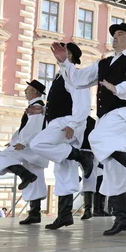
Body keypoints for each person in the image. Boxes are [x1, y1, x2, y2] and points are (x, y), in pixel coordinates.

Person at [51, 23, 126, 236]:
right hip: (109, 115)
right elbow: (78, 80)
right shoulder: (104, 63)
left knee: (96, 136)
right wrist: (64, 62)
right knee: (113, 165)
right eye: (114, 35)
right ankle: (123, 217)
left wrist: (117, 88)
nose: (115, 38)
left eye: (120, 35)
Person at [30, 42, 92, 230]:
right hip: (61, 121)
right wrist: (43, 109)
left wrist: (73, 125)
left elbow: (83, 103)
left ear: (70, 56)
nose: (57, 55)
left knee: (37, 143)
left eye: (63, 52)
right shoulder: (61, 76)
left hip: (67, 122)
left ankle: (81, 155)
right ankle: (64, 215)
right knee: (63, 170)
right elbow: (63, 101)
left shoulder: (76, 76)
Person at [0, 80, 49, 225]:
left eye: (27, 89)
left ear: (34, 92)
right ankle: (35, 213)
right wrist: (13, 141)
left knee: (2, 156)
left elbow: (34, 128)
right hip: (34, 148)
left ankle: (24, 174)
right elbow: (25, 128)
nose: (25, 91)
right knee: (36, 180)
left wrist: (21, 142)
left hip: (30, 147)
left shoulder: (36, 107)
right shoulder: (37, 106)